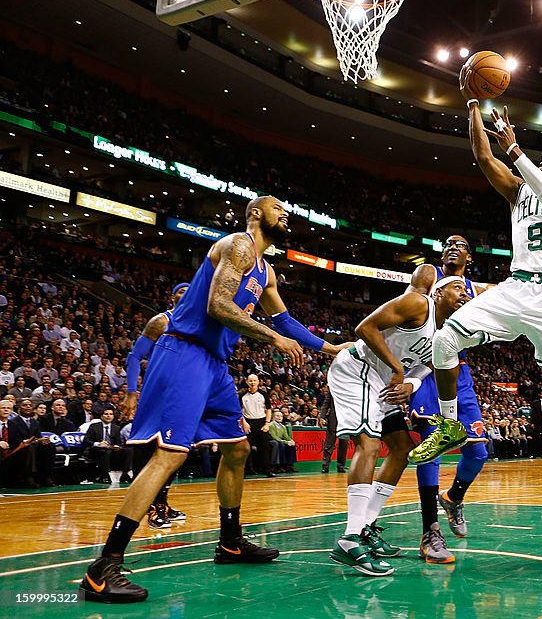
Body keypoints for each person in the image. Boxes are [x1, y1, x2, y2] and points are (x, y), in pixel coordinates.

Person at [81, 196, 345, 603]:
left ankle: (230, 542)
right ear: (256, 213)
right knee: (169, 456)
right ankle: (104, 567)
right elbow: (218, 305)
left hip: (215, 365)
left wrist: (332, 349)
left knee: (238, 448)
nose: (286, 212)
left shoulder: (267, 271)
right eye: (278, 207)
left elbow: (287, 321)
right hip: (184, 351)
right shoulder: (238, 244)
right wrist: (273, 337)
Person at [409, 93, 542, 523]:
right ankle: (449, 424)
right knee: (444, 340)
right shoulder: (518, 189)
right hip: (517, 286)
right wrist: (471, 106)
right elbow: (483, 155)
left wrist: (517, 150)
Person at [327, 276, 469, 577]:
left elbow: (431, 364)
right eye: (457, 288)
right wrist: (397, 367)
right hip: (356, 370)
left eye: (466, 291)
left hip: (383, 381)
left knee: (403, 448)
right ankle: (351, 538)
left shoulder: (449, 334)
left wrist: (411, 381)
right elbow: (364, 328)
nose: (464, 294)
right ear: (439, 291)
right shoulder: (418, 304)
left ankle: (366, 527)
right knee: (369, 444)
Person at [406, 236, 489, 563]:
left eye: (461, 244)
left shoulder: (474, 289)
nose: (453, 246)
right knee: (433, 442)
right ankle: (430, 531)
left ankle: (454, 497)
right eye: (448, 243)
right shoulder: (427, 277)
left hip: (459, 368)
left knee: (478, 452)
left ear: (469, 256)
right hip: (426, 366)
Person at [124, 282, 190, 529]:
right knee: (151, 448)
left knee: (174, 452)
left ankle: (161, 503)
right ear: (172, 297)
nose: (185, 295)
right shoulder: (160, 321)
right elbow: (134, 356)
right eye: (181, 291)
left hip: (182, 396)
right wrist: (131, 392)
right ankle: (149, 507)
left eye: (189, 292)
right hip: (157, 395)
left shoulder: (197, 325)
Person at [5, 398, 56, 488]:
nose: (28, 407)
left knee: (49, 446)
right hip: (18, 448)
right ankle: (29, 476)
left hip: (33, 445)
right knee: (30, 447)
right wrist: (26, 442)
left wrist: (42, 440)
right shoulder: (13, 422)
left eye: (30, 405)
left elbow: (37, 436)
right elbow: (12, 440)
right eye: (25, 405)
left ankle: (46, 475)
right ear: (19, 408)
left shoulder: (35, 422)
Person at [240, 374, 274, 477]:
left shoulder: (263, 394)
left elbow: (268, 409)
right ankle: (244, 472)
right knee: (246, 449)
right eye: (250, 381)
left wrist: (267, 424)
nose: (252, 383)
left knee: (265, 448)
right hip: (248, 423)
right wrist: (244, 423)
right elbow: (239, 411)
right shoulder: (242, 395)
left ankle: (267, 470)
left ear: (258, 382)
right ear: (247, 382)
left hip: (261, 422)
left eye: (254, 380)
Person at [83, 406, 123, 484]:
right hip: (97, 450)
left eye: (111, 414)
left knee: (128, 451)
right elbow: (86, 440)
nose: (108, 416)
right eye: (106, 414)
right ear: (101, 416)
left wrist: (117, 446)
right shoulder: (94, 426)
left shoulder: (116, 428)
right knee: (105, 452)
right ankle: (105, 475)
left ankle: (126, 474)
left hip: (111, 449)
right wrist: (98, 444)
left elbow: (119, 443)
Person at [319, 391, 348, 474]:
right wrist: (322, 417)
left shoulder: (349, 389)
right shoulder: (332, 389)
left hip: (346, 422)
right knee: (328, 445)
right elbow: (326, 404)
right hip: (333, 421)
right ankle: (325, 466)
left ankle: (341, 466)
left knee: (343, 446)